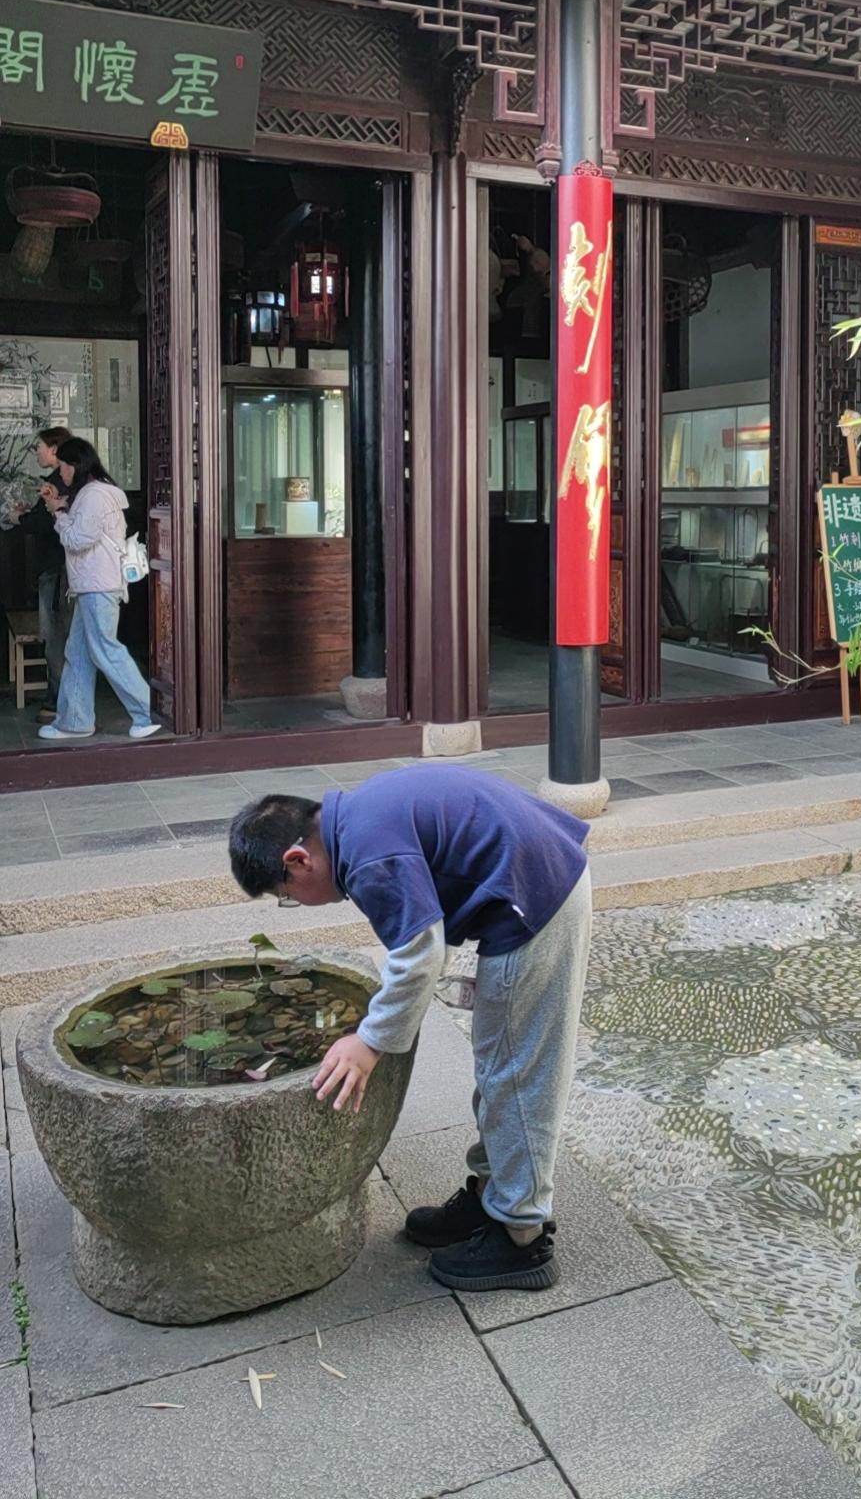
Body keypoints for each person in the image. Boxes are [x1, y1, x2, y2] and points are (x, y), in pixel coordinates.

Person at [228, 766, 592, 1293]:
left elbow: (419, 957)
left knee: (517, 1074)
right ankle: (493, 1199)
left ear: (297, 860)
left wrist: (369, 1041)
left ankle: (521, 1235)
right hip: (535, 877)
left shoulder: (367, 855)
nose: (296, 903)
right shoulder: (356, 821)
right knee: (501, 1066)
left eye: (285, 895)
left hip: (538, 899)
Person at [37, 437, 160, 744]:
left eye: (63, 466)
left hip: (97, 585)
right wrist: (60, 506)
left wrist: (58, 515)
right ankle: (74, 722)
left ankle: (147, 713)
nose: (61, 473)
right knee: (78, 654)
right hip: (92, 584)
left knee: (105, 650)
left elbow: (78, 539)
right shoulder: (96, 492)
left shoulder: (94, 495)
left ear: (75, 465)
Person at [8, 426, 72, 724]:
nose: (37, 452)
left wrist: (19, 518)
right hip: (56, 569)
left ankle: (59, 701)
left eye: (40, 446)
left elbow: (45, 524)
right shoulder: (56, 481)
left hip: (57, 570)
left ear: (55, 450)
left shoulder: (60, 482)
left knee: (55, 635)